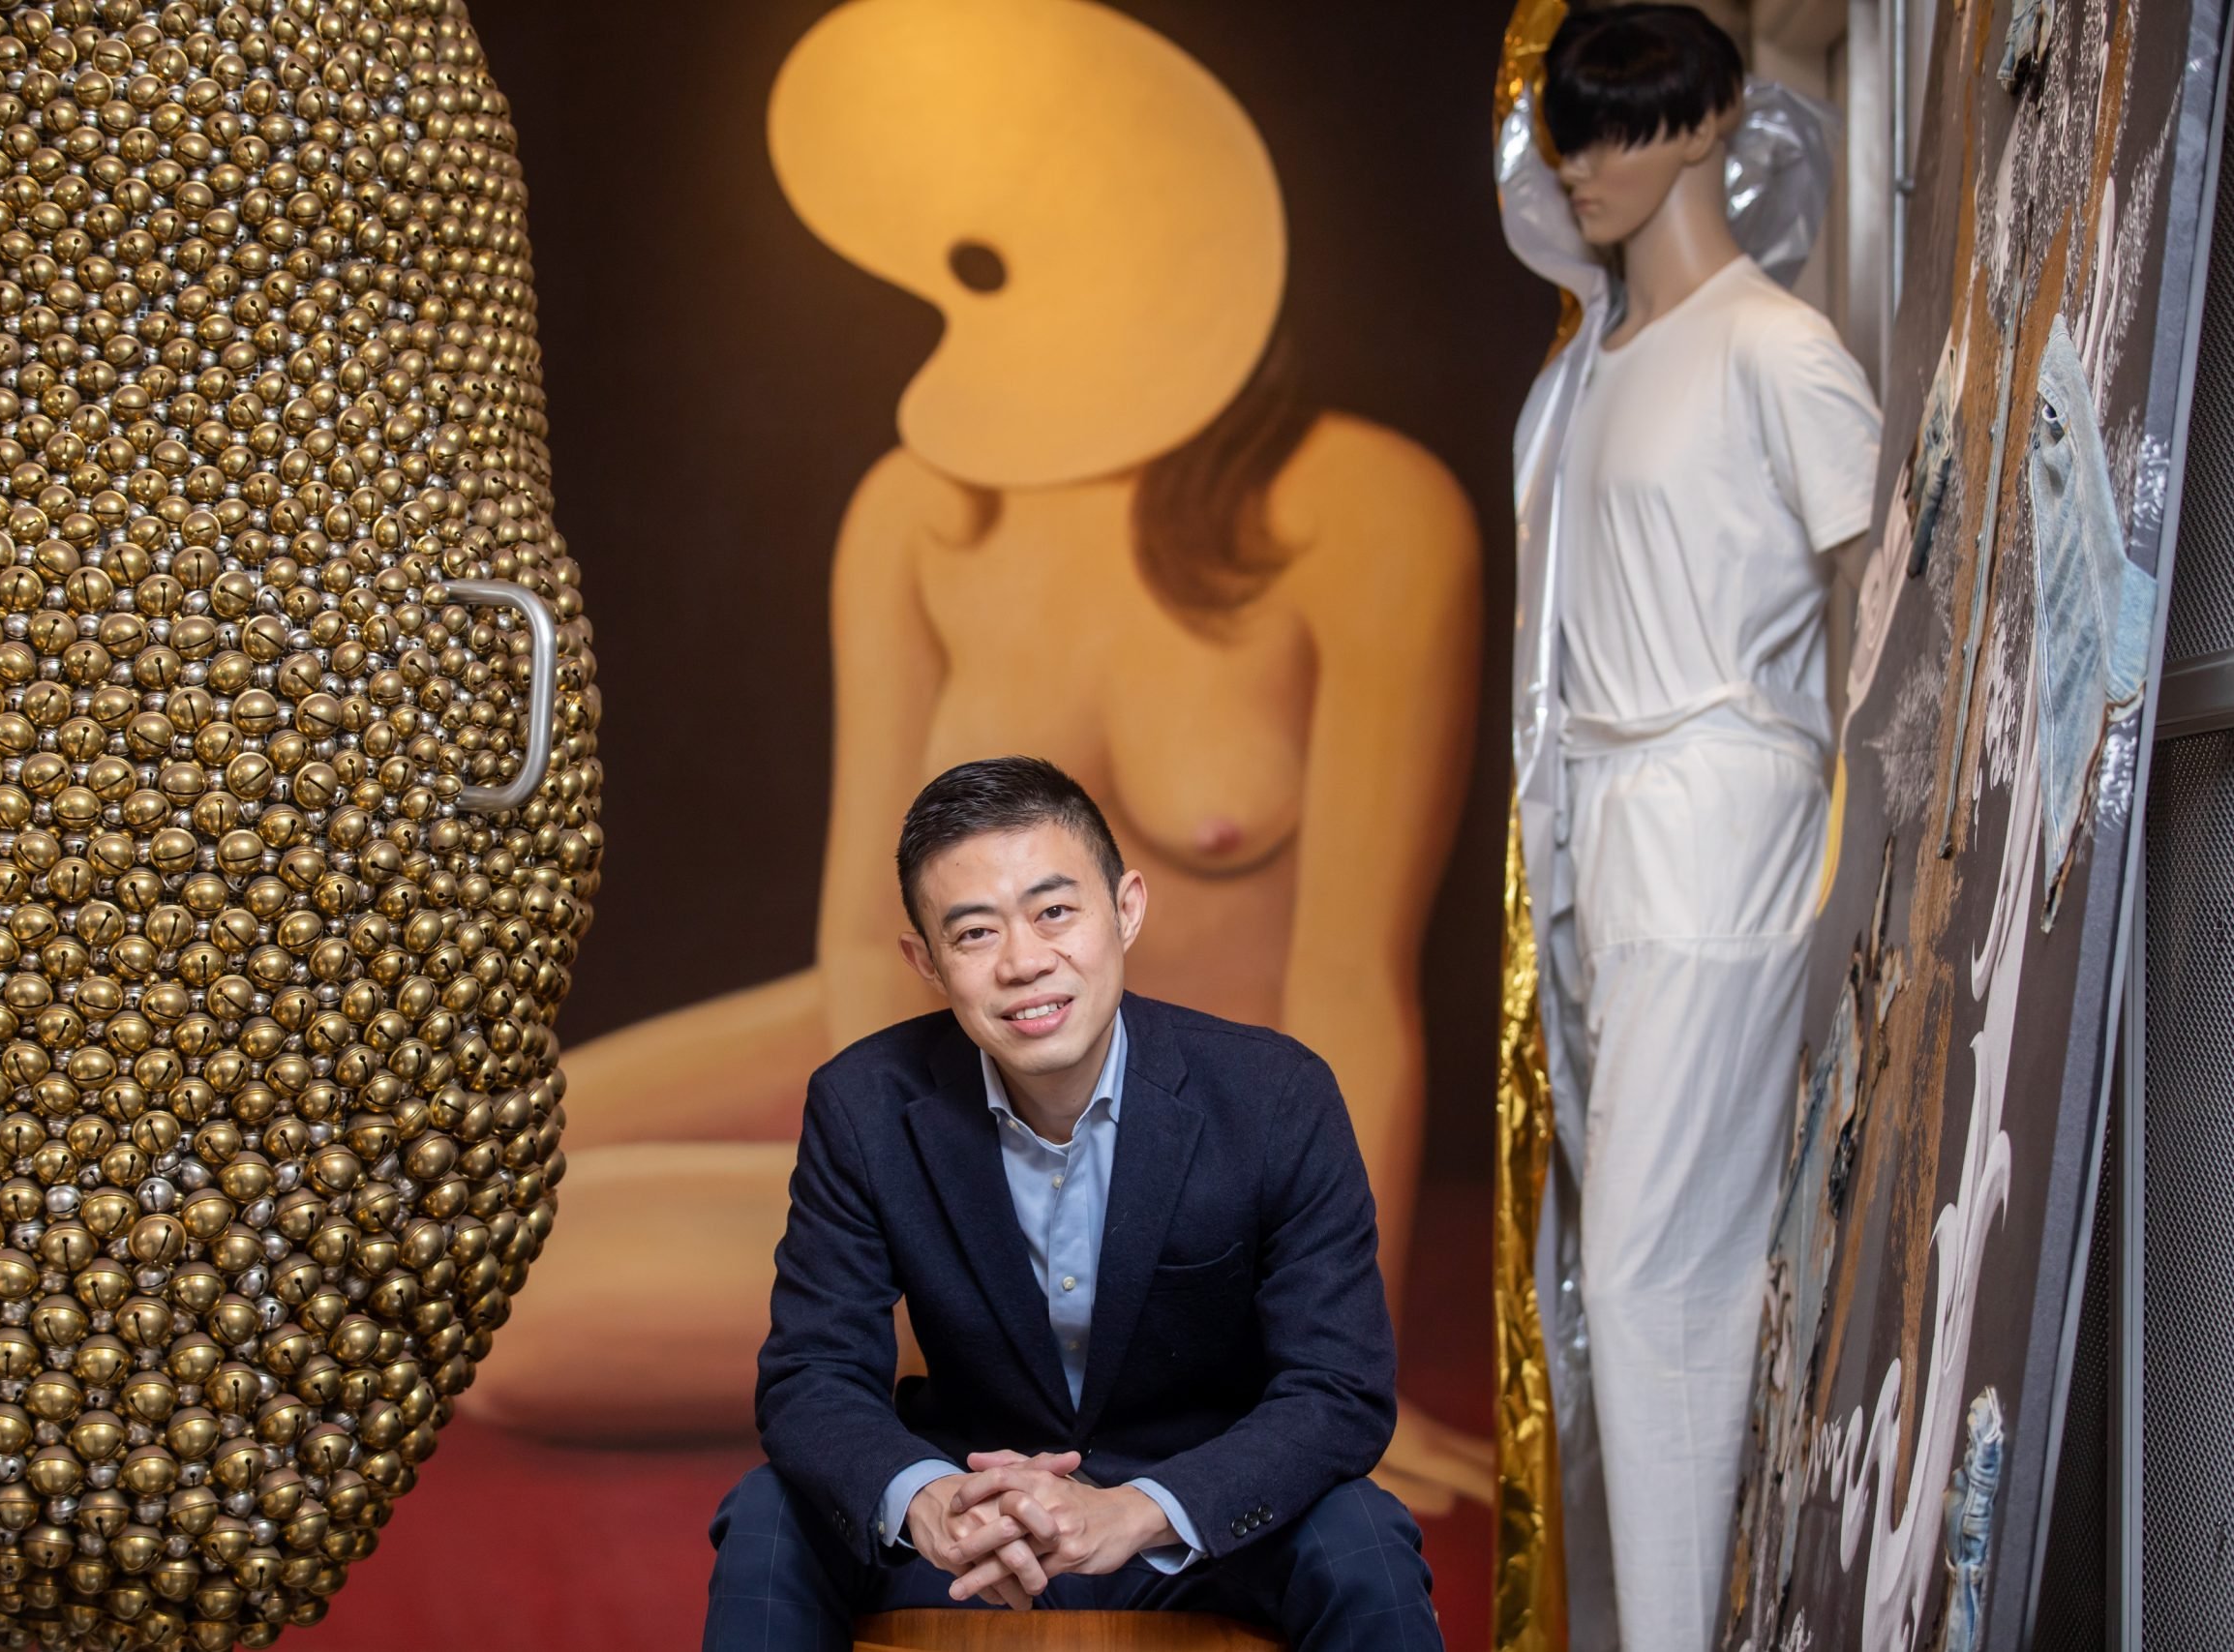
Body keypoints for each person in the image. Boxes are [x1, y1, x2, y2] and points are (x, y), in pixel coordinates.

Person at [472, 0, 1490, 1512]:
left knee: (516, 1301)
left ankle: (1081, 1318)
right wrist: (867, 1213)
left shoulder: (1368, 514)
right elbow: (857, 943)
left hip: (1176, 1146)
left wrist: (1346, 1368)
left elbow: (1354, 979)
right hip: (951, 1071)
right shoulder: (920, 511)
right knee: (477, 1153)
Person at [703, 757, 1443, 1650]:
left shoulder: (1275, 1094)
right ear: (926, 962)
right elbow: (808, 1377)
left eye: (1055, 911)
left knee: (1361, 1533)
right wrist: (929, 1499)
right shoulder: (863, 1105)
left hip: (1189, 1523)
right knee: (770, 1511)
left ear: (1126, 908)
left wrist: (1135, 1511)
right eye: (974, 933)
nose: (1023, 962)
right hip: (971, 1522)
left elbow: (1339, 1387)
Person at [1527, 8, 1883, 1648]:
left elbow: (1892, 617)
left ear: (1706, 123)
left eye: (1622, 124)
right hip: (1602, 823)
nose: (1587, 164)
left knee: (1663, 1275)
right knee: (1646, 1275)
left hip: (1723, 800)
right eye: (1569, 130)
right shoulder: (1593, 372)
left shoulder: (1777, 347)